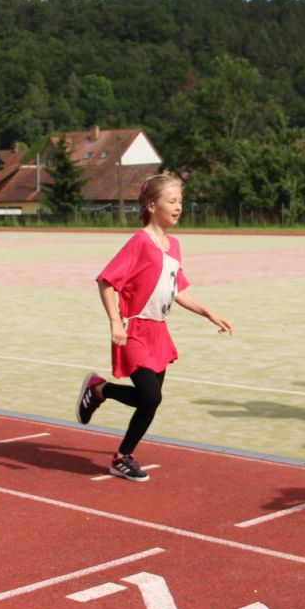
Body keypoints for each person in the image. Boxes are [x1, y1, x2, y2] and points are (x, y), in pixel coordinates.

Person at [75, 174, 232, 482]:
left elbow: (177, 290)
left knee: (150, 400)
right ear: (151, 205)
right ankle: (102, 398)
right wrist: (115, 321)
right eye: (171, 201)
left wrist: (209, 313)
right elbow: (107, 282)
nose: (178, 207)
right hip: (133, 331)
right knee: (150, 397)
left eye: (180, 201)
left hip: (159, 332)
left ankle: (119, 444)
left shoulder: (174, 245)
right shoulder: (140, 242)